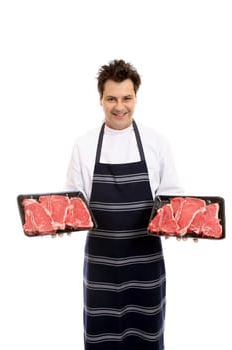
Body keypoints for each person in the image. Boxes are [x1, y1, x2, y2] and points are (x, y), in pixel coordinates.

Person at [65, 59, 183, 350]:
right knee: (100, 338)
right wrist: (61, 223)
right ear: (100, 100)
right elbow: (71, 201)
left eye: (127, 98)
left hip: (146, 265)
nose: (120, 106)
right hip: (101, 267)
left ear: (136, 97)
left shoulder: (157, 143)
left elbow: (173, 200)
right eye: (111, 99)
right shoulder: (84, 145)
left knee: (147, 338)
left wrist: (183, 226)